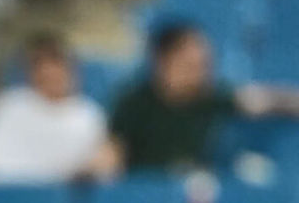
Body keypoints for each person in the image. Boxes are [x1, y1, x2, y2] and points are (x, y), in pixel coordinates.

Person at [109, 21, 299, 172]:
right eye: (191, 65)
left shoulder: (212, 96)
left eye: (205, 65)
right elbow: (113, 157)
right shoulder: (132, 103)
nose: (201, 73)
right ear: (163, 61)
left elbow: (261, 101)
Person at [0, 34, 117, 183]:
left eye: (57, 65)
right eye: (41, 67)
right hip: (8, 196)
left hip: (62, 198)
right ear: (32, 73)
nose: (51, 73)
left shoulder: (89, 114)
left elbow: (104, 164)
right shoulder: (10, 105)